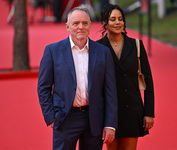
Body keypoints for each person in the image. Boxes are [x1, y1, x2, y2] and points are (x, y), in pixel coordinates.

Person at [37, 6, 118, 150]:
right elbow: (43, 87)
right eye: (76, 23)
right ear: (67, 27)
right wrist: (51, 116)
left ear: (90, 25)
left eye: (85, 23)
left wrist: (110, 124)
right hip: (65, 118)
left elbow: (110, 91)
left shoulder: (103, 53)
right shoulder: (52, 51)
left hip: (94, 118)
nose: (81, 27)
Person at [97, 4, 155, 150]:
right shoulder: (97, 48)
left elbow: (148, 80)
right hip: (109, 112)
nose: (117, 22)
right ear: (104, 23)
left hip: (132, 109)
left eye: (120, 19)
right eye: (112, 19)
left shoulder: (136, 45)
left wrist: (149, 112)